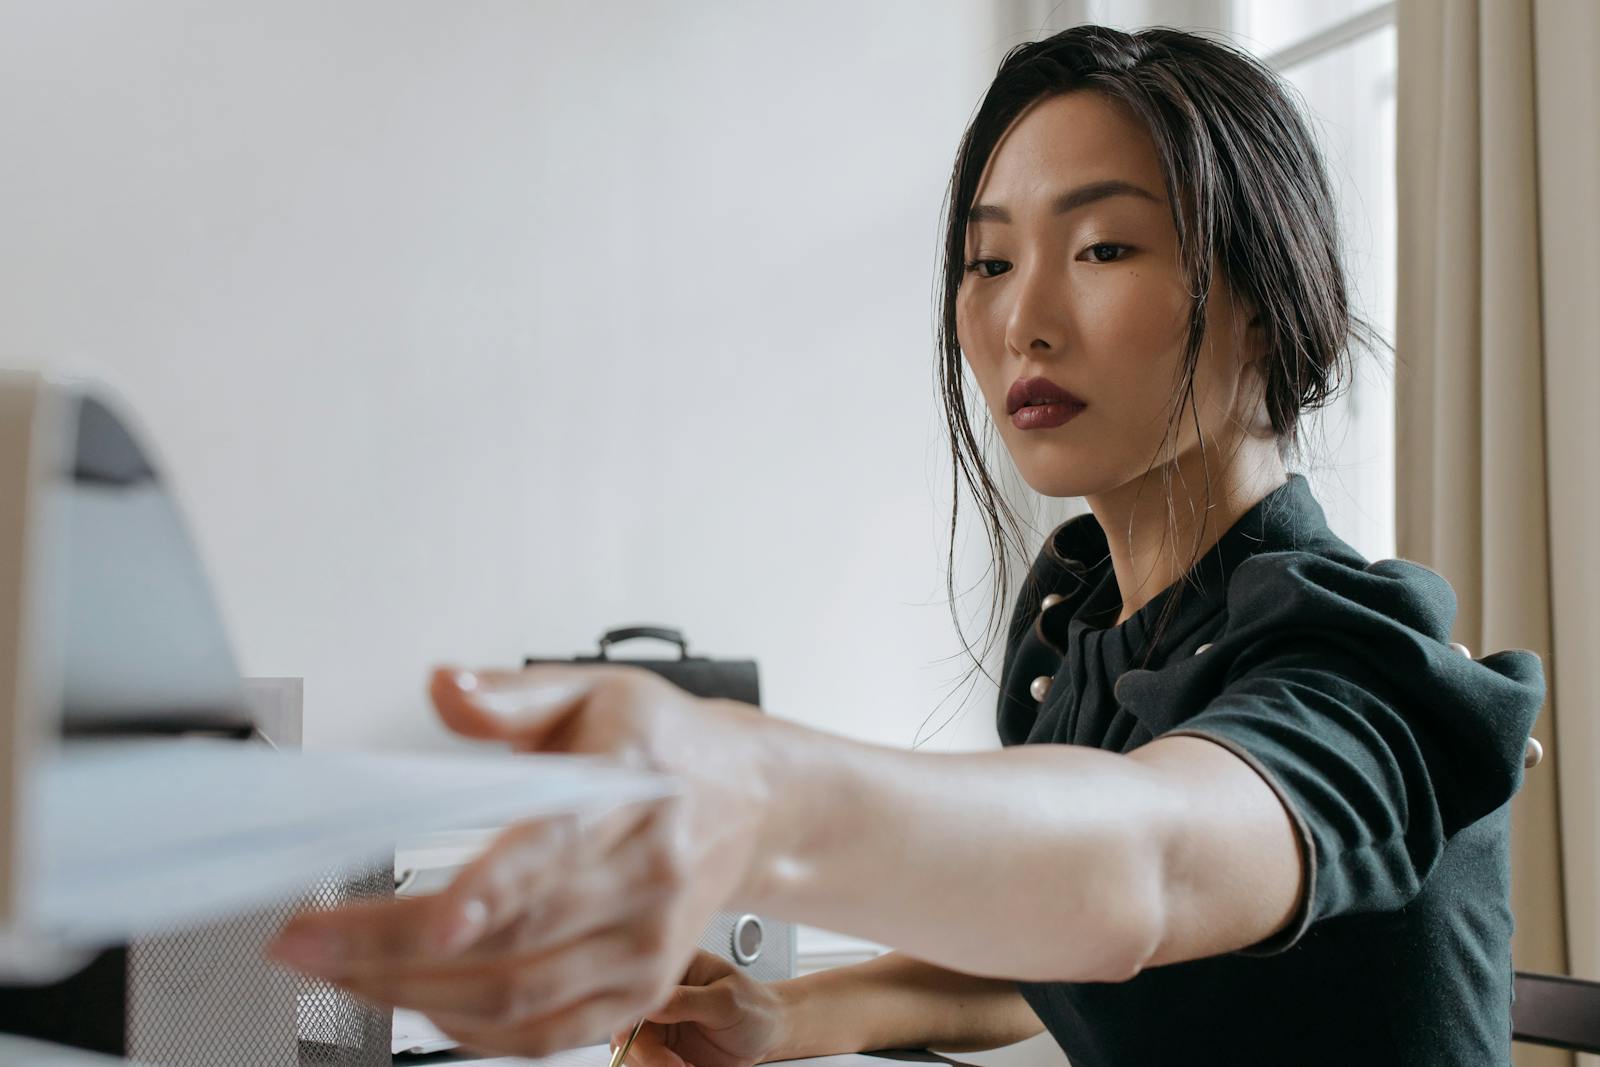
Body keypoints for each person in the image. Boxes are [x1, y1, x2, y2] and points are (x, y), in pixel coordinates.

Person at [266, 24, 1545, 1067]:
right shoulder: (1102, 637)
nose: (1020, 321)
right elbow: (1060, 939)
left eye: (1101, 247)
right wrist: (795, 1015)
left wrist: (747, 791)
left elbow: (1137, 875)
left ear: (1267, 302)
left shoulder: (1359, 668)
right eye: (988, 261)